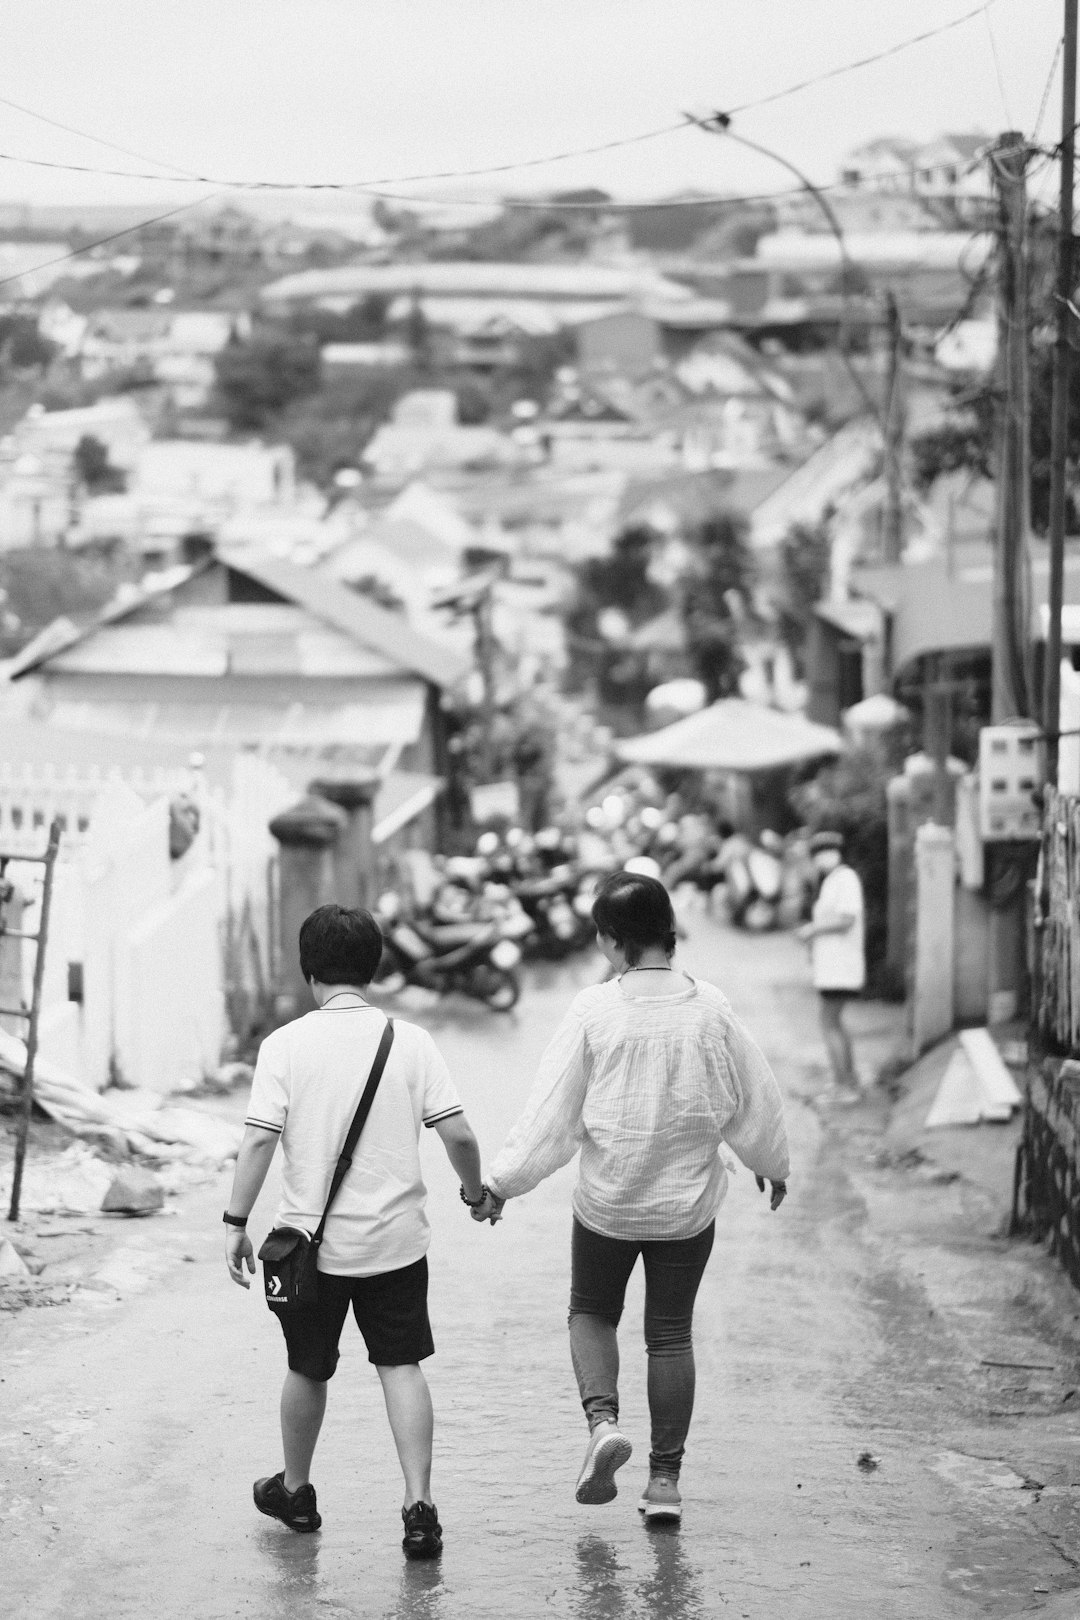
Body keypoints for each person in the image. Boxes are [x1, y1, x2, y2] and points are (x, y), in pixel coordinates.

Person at [471, 871, 789, 1523]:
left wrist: (502, 1183)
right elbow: (753, 1097)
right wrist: (770, 1162)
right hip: (685, 1208)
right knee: (669, 1336)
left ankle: (603, 1425)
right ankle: (665, 1485)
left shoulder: (595, 1009)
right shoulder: (712, 1009)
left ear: (614, 942)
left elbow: (552, 1114)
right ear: (669, 935)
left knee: (590, 1311)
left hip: (609, 1204)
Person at [223, 904, 488, 1561]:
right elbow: (457, 1131)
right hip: (396, 1242)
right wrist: (476, 1192)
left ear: (308, 969)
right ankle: (419, 1506)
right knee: (402, 1366)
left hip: (310, 1248)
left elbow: (259, 1141)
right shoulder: (411, 1042)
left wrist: (235, 1222)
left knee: (307, 1368)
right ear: (374, 966)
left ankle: (298, 1490)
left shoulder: (284, 1045)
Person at [796, 831, 866, 1098]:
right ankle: (848, 1079)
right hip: (834, 967)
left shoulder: (845, 879)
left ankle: (844, 1085)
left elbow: (846, 919)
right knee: (834, 1021)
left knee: (829, 1022)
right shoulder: (833, 880)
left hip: (841, 966)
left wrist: (813, 930)